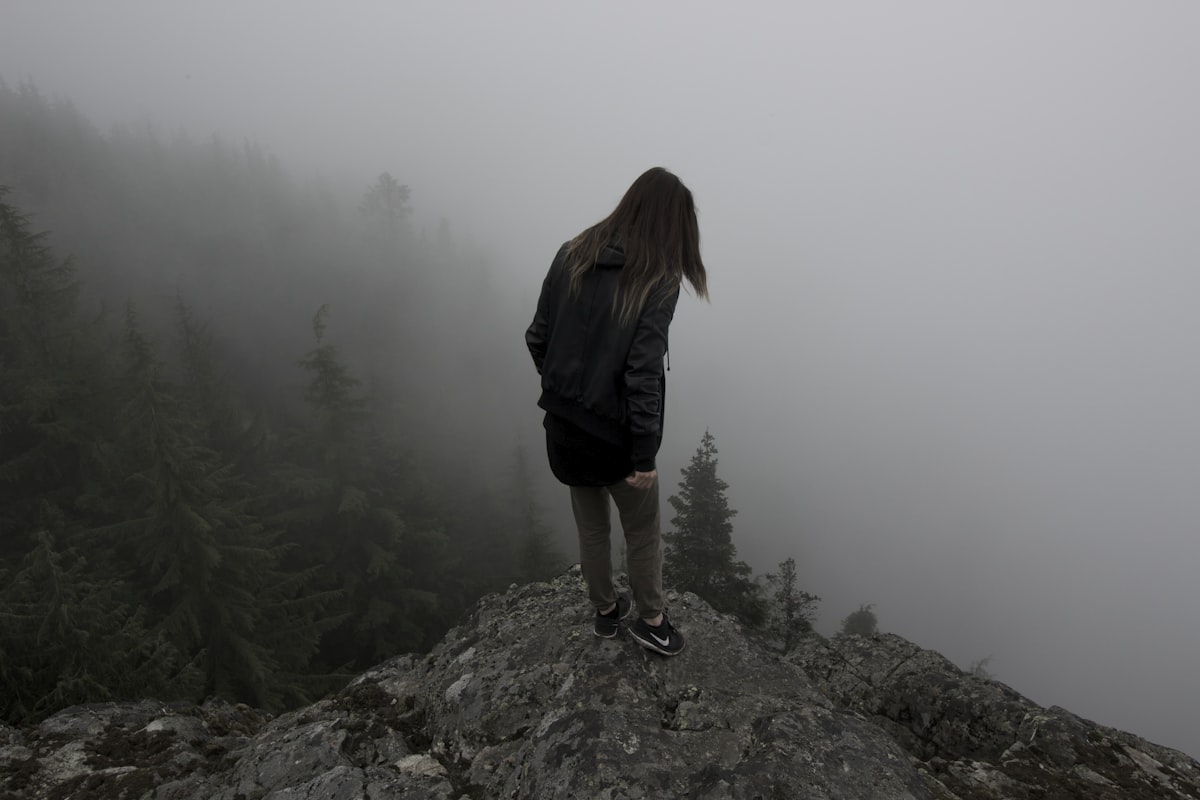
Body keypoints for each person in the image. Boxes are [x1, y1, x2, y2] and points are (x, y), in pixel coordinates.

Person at [525, 167, 708, 656]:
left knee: (591, 527)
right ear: (673, 222)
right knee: (642, 530)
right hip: (618, 438)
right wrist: (644, 454)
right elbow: (642, 372)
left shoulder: (573, 253)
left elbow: (537, 337)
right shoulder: (658, 279)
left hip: (563, 427)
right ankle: (651, 620)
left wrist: (566, 394)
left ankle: (606, 613)